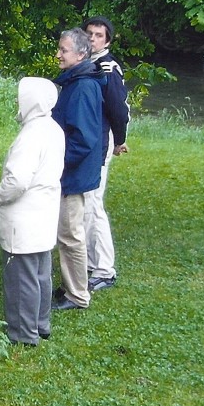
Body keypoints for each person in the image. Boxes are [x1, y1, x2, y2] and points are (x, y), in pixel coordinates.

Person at [0, 78, 65, 346]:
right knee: (40, 273)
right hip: (44, 213)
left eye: (20, 97)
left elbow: (17, 181)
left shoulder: (30, 135)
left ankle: (23, 334)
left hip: (23, 217)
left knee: (21, 278)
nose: (16, 102)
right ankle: (40, 323)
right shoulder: (53, 128)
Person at [51, 28, 103, 312]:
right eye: (59, 48)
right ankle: (70, 284)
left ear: (82, 54)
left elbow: (83, 138)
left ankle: (78, 295)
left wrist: (57, 164)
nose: (58, 54)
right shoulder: (77, 81)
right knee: (67, 233)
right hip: (71, 171)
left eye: (64, 50)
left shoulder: (83, 86)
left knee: (71, 235)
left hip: (73, 173)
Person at [82, 16, 130, 292]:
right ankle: (91, 261)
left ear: (107, 41)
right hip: (91, 138)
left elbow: (118, 109)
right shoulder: (89, 64)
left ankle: (104, 269)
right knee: (88, 203)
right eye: (89, 33)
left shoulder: (107, 68)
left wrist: (119, 140)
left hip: (101, 140)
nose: (92, 39)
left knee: (94, 203)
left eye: (98, 35)